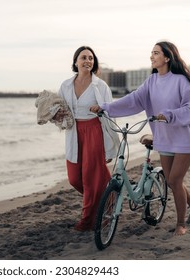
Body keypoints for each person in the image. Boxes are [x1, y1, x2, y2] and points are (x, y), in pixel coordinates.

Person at [90, 41, 190, 235]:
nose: (152, 56)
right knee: (171, 180)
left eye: (156, 53)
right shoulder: (151, 81)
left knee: (175, 180)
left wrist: (169, 115)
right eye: (151, 53)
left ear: (167, 57)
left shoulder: (181, 81)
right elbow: (134, 100)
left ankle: (180, 223)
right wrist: (106, 107)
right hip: (165, 137)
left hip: (185, 139)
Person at [55, 46, 119, 232]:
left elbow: (109, 114)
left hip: (94, 131)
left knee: (91, 179)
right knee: (75, 178)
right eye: (83, 57)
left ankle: (87, 220)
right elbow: (59, 108)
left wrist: (109, 145)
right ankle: (108, 197)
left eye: (91, 58)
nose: (88, 61)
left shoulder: (100, 86)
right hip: (74, 131)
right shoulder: (66, 85)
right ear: (76, 62)